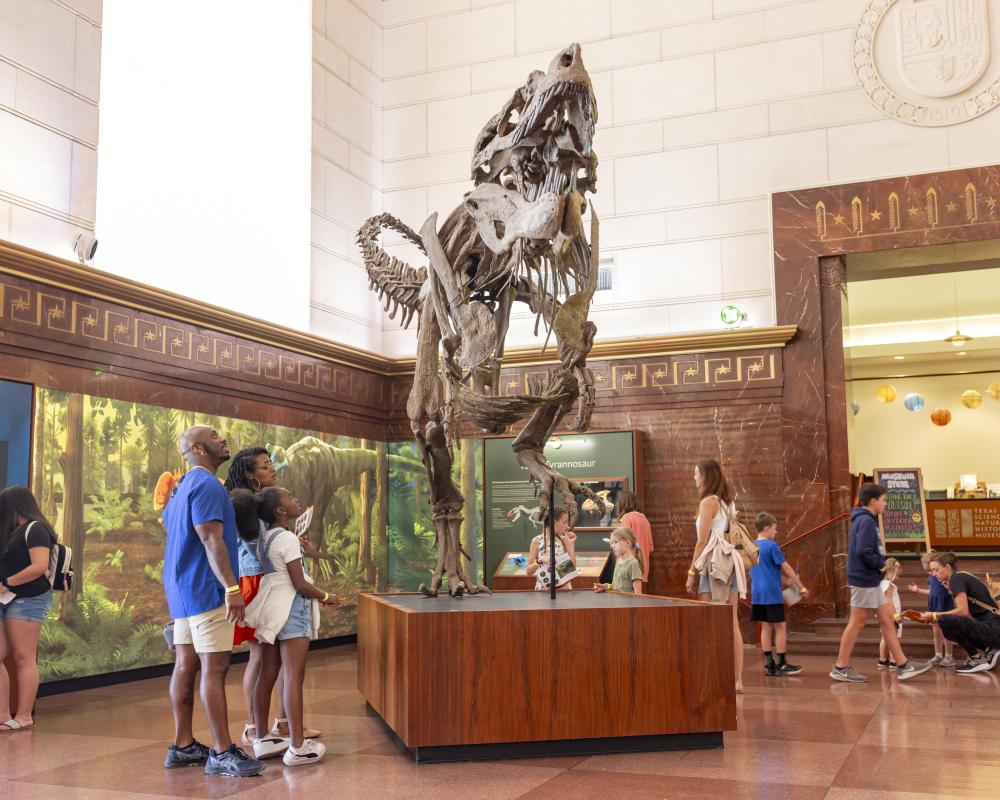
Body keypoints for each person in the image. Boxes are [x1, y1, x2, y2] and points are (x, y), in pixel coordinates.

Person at [161, 425, 264, 777]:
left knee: (185, 665)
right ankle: (222, 751)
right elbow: (211, 539)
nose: (223, 437)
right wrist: (232, 589)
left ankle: (182, 745)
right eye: (215, 434)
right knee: (215, 668)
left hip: (181, 592)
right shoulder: (205, 484)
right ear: (197, 448)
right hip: (205, 590)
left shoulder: (180, 489)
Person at [224, 447, 322, 745]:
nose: (273, 469)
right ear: (250, 473)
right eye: (266, 466)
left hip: (274, 580)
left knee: (279, 661)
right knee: (260, 657)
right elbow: (250, 547)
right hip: (256, 582)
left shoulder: (265, 501)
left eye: (272, 464)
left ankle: (282, 722)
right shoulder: (243, 503)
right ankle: (254, 727)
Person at [242, 487, 338, 767]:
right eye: (290, 499)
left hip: (270, 607)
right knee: (294, 677)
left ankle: (262, 739)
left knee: (267, 674)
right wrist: (327, 596)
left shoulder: (264, 537)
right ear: (280, 511)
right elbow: (300, 583)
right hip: (292, 608)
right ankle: (297, 746)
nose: (296, 501)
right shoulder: (286, 538)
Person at [830, 482, 931, 683]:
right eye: (883, 500)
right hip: (865, 579)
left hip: (869, 579)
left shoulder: (864, 519)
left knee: (887, 621)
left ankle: (903, 664)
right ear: (874, 501)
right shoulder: (866, 521)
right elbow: (864, 551)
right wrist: (882, 565)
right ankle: (840, 666)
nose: (885, 504)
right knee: (857, 622)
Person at [685, 459, 746, 693]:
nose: (694, 478)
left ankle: (713, 674)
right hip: (731, 563)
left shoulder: (708, 502)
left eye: (696, 473)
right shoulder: (728, 503)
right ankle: (737, 680)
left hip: (713, 565)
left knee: (710, 621)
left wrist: (692, 572)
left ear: (706, 476)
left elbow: (702, 541)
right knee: (732, 623)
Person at [0, 486, 56, 731]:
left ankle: (24, 715)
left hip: (28, 599)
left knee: (24, 657)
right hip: (8, 598)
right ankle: (4, 715)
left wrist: (6, 583)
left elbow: (39, 565)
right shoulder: (14, 531)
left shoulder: (36, 529)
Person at [920, 552, 1000, 674]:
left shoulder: (956, 579)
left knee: (945, 621)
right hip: (994, 630)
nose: (934, 574)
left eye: (936, 570)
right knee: (947, 622)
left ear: (947, 567)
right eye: (932, 571)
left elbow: (963, 612)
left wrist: (934, 615)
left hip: (995, 631)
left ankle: (976, 658)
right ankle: (990, 649)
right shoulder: (960, 576)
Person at [750, 512, 807, 677]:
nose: (776, 533)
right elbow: (786, 567)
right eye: (775, 529)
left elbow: (764, 570)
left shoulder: (751, 546)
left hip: (757, 593)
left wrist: (785, 581)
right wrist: (801, 587)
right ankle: (782, 664)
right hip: (772, 593)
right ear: (767, 528)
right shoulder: (772, 546)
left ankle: (769, 665)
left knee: (766, 628)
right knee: (781, 626)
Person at [908, 551, 955, 667]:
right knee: (936, 632)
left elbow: (953, 591)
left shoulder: (945, 576)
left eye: (934, 570)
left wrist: (948, 588)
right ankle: (938, 655)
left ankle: (949, 656)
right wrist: (918, 590)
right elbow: (932, 592)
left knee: (947, 632)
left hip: (944, 605)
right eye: (929, 571)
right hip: (933, 605)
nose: (932, 573)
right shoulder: (931, 578)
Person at [526, 507, 576, 591]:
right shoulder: (536, 541)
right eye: (564, 522)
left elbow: (572, 568)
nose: (567, 526)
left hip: (563, 589)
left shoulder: (564, 540)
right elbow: (528, 572)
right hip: (543, 590)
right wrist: (539, 561)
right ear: (554, 523)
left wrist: (571, 544)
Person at [593, 527, 643, 594]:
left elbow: (638, 594)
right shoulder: (619, 561)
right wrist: (606, 586)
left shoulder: (633, 564)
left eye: (615, 542)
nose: (612, 546)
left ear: (628, 543)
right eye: (612, 543)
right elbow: (618, 587)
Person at [618, 491, 653, 586]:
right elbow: (651, 547)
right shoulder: (645, 519)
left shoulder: (626, 518)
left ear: (623, 503)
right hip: (643, 568)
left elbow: (624, 544)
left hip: (629, 568)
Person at [877, 558, 902, 670]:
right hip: (891, 615)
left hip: (883, 614)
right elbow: (889, 601)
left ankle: (882, 660)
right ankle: (893, 660)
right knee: (893, 637)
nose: (898, 578)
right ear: (889, 572)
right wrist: (896, 615)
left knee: (884, 637)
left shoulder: (881, 584)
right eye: (897, 575)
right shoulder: (889, 585)